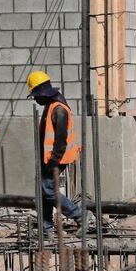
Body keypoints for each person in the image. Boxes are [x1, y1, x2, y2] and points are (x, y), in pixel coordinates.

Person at [26, 71, 84, 234]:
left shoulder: (58, 109)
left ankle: (80, 215)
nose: (36, 99)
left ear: (43, 93)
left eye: (36, 95)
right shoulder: (51, 106)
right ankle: (46, 227)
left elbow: (60, 140)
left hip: (57, 158)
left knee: (49, 191)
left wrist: (53, 161)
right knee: (44, 192)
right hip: (50, 158)